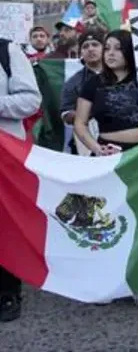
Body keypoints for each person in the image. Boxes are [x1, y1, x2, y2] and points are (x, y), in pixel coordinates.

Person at [73, 30, 138, 308]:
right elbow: (80, 123)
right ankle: (108, 281)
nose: (109, 53)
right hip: (108, 156)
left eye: (117, 48)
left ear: (130, 52)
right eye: (106, 47)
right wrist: (95, 149)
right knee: (109, 219)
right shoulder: (92, 84)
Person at [0, 39, 42, 323]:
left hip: (5, 155)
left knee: (4, 224)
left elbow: (30, 99)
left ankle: (7, 291)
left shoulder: (7, 51)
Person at [60, 30, 106, 155]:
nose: (90, 49)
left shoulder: (119, 75)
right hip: (87, 146)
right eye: (86, 46)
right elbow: (65, 114)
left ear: (104, 48)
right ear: (81, 52)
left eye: (95, 44)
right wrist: (86, 113)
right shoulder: (73, 82)